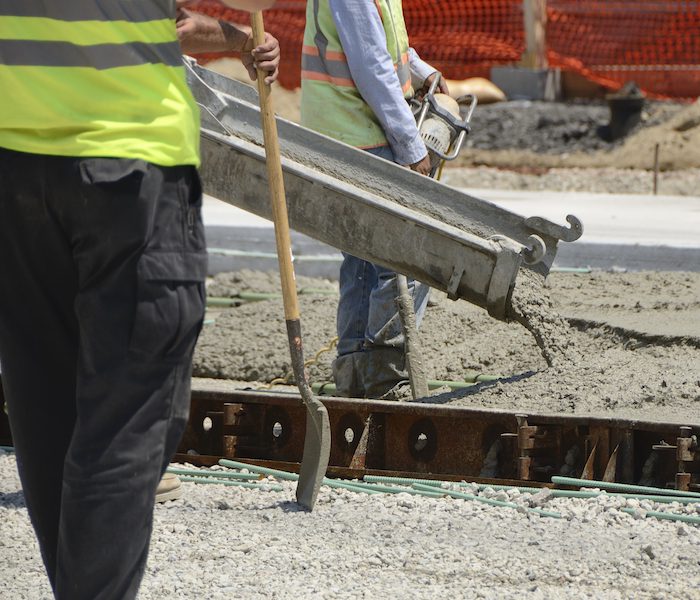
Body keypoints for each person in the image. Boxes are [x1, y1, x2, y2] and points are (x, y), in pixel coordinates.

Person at [0, 1, 277, 598]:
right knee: (126, 416)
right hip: (127, 164)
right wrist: (238, 29)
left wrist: (224, 38)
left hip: (14, 166)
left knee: (48, 410)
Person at [300, 0, 448, 399]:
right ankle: (386, 373)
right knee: (405, 257)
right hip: (358, 133)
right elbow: (370, 66)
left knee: (363, 260)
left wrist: (419, 69)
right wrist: (411, 143)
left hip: (348, 130)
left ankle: (354, 374)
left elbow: (378, 45)